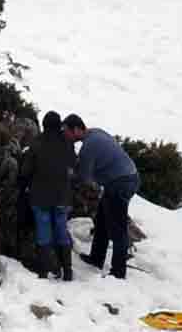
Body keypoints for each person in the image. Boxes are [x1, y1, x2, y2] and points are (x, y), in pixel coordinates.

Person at [74, 122, 143, 279]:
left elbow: (84, 177)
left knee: (117, 227)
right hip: (128, 178)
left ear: (77, 129)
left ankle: (118, 272)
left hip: (120, 183)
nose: (68, 136)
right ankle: (96, 258)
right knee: (102, 220)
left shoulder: (89, 146)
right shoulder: (97, 133)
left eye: (68, 131)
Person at [21, 114, 79, 281]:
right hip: (62, 196)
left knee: (43, 230)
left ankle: (44, 271)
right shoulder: (67, 143)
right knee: (61, 229)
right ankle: (67, 271)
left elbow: (26, 171)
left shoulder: (36, 143)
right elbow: (74, 166)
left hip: (40, 196)